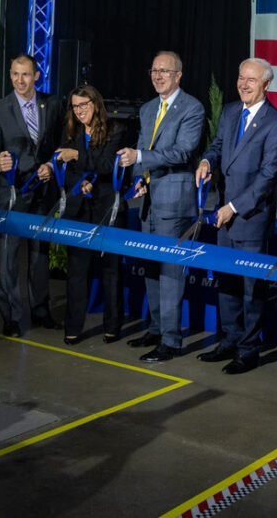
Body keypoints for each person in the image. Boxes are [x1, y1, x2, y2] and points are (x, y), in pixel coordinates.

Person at [194, 57, 277, 374]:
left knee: (251, 289)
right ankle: (229, 341)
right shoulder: (232, 112)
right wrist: (207, 161)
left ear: (266, 84)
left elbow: (268, 178)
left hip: (249, 218)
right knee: (227, 284)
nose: (243, 84)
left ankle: (249, 350)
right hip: (224, 217)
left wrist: (233, 208)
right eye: (240, 77)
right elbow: (218, 146)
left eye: (251, 79)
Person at [116, 51, 205, 362]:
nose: (158, 76)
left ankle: (171, 340)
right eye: (154, 70)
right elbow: (144, 145)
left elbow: (182, 152)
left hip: (174, 203)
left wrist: (140, 159)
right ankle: (155, 328)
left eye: (164, 71)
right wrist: (141, 177)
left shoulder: (192, 108)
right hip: (149, 202)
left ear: (178, 75)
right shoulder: (148, 108)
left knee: (170, 273)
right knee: (150, 269)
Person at [0, 54, 63, 337]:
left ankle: (41, 310)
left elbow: (59, 145)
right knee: (8, 258)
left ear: (37, 76)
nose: (19, 80)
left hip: (44, 192)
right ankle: (11, 317)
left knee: (40, 255)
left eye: (25, 74)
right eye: (14, 74)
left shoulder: (53, 105)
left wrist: (52, 166)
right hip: (12, 194)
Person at [54, 84, 127, 345]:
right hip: (79, 208)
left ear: (95, 104)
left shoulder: (115, 130)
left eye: (84, 105)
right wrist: (79, 181)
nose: (80, 111)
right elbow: (63, 165)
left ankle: (113, 326)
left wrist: (77, 158)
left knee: (111, 271)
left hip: (107, 208)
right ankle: (72, 327)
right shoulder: (70, 131)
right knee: (77, 271)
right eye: (75, 106)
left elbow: (107, 165)